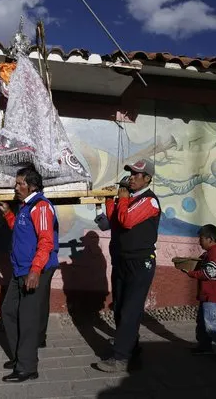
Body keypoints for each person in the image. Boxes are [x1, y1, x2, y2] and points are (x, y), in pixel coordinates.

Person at [96, 159, 160, 373]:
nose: (131, 177)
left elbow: (127, 221)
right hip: (122, 261)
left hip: (140, 263)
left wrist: (121, 199)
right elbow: (114, 222)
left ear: (147, 179)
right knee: (121, 308)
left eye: (136, 174)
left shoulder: (149, 201)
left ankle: (121, 357)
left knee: (131, 309)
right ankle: (131, 347)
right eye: (130, 173)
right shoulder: (129, 200)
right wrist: (108, 200)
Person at [0, 165, 59, 383]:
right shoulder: (26, 207)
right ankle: (19, 356)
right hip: (20, 268)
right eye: (16, 183)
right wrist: (7, 214)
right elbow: (21, 230)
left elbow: (46, 241)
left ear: (32, 186)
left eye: (20, 183)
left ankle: (27, 367)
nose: (16, 187)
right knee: (9, 311)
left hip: (34, 270)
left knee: (28, 318)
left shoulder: (41, 207)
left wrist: (35, 271)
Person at [181, 224, 216, 360]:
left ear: (210, 239)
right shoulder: (208, 254)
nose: (199, 241)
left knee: (211, 325)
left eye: (201, 238)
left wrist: (191, 273)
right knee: (202, 322)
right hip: (207, 295)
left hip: (213, 296)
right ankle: (205, 346)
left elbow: (208, 274)